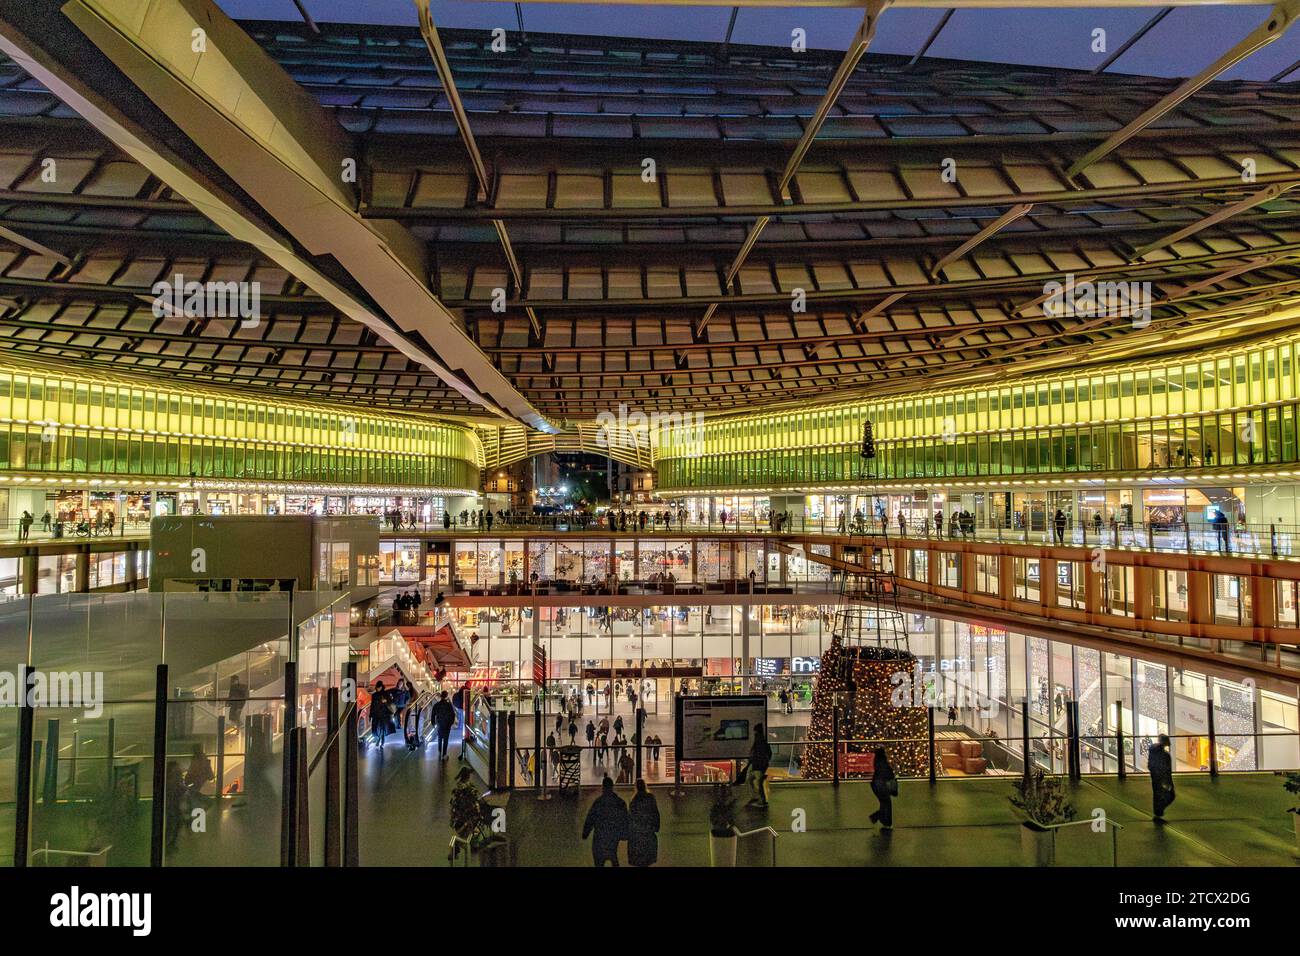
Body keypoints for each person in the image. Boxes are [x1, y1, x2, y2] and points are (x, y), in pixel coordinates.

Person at [581, 776, 629, 867]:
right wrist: (625, 834)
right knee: (613, 856)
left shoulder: (598, 802)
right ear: (612, 787)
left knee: (599, 861)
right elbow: (624, 819)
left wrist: (585, 833)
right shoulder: (619, 802)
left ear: (603, 787)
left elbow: (590, 818)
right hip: (613, 836)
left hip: (600, 836)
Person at [628, 779, 660, 867]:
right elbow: (655, 813)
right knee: (647, 860)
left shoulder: (634, 800)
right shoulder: (650, 797)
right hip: (648, 832)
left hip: (637, 834)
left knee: (639, 860)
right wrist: (656, 828)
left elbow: (631, 818)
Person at [1148, 734, 1176, 821]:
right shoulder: (1165, 755)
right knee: (1170, 795)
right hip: (1163, 777)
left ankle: (1158, 812)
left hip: (1155, 776)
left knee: (1157, 795)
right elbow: (1167, 769)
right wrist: (1168, 780)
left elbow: (1151, 765)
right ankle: (1159, 811)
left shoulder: (1153, 750)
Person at [869, 746, 897, 830]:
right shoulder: (883, 762)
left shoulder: (877, 761)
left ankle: (882, 819)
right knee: (886, 803)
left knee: (884, 803)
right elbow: (887, 773)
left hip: (877, 784)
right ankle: (883, 820)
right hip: (881, 785)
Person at [746, 723, 772, 809]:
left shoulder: (758, 741)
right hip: (761, 765)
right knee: (756, 781)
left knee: (754, 781)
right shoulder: (763, 740)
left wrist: (752, 760)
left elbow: (756, 753)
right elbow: (769, 753)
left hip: (758, 766)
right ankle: (759, 799)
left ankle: (761, 800)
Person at [431, 690, 456, 761]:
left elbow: (433, 714)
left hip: (439, 723)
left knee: (439, 738)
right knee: (446, 739)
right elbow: (453, 714)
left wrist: (433, 723)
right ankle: (444, 754)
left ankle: (439, 751)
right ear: (447, 696)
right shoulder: (449, 705)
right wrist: (451, 722)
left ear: (441, 696)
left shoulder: (437, 705)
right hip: (447, 724)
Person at [370, 680, 393, 747]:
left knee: (382, 727)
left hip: (383, 713)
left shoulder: (385, 694)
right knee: (375, 728)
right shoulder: (374, 695)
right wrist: (370, 715)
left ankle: (382, 740)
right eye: (377, 687)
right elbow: (372, 705)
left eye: (379, 687)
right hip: (376, 713)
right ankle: (378, 738)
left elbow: (390, 701)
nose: (377, 689)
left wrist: (385, 701)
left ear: (381, 687)